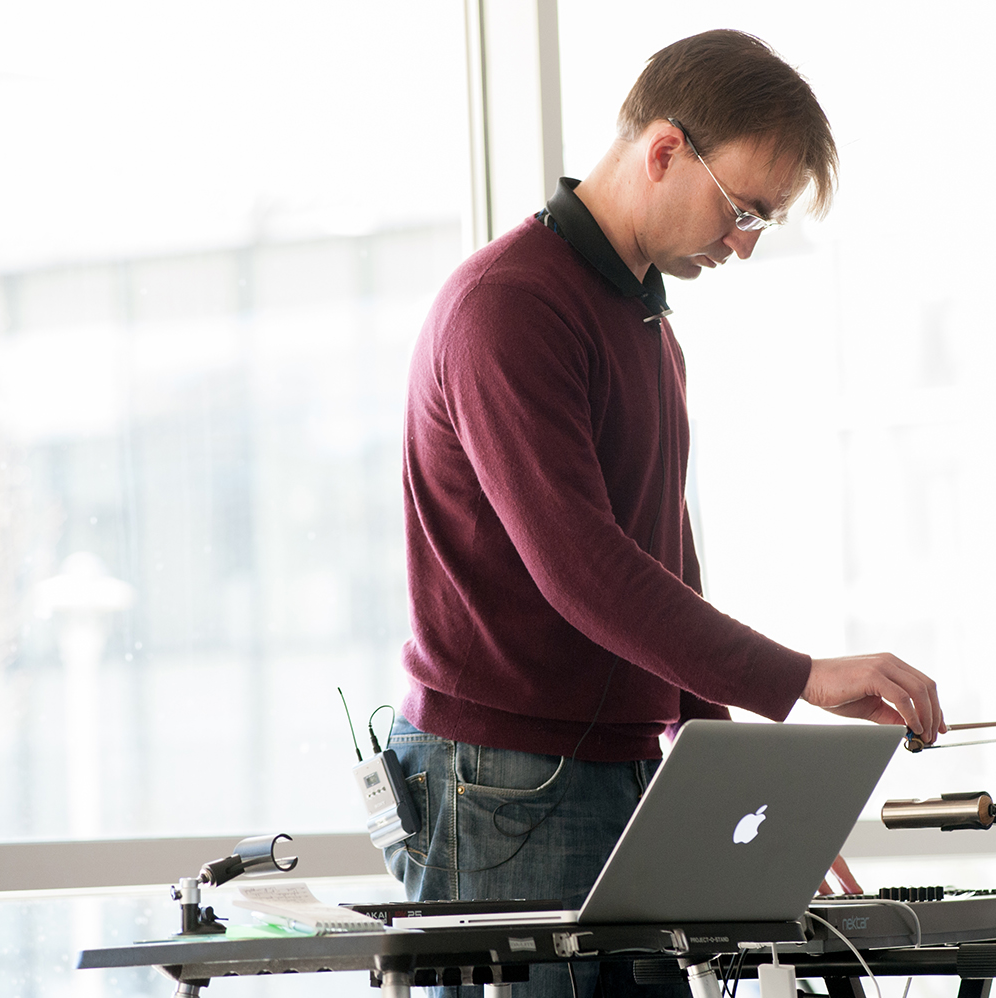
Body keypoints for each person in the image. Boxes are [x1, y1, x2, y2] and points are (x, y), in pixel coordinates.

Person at [385, 28, 945, 997]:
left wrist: (738, 788)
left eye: (764, 221)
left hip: (613, 766)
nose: (744, 243)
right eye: (743, 209)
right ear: (664, 151)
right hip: (506, 779)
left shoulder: (643, 322)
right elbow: (585, 571)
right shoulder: (510, 306)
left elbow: (663, 566)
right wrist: (802, 677)